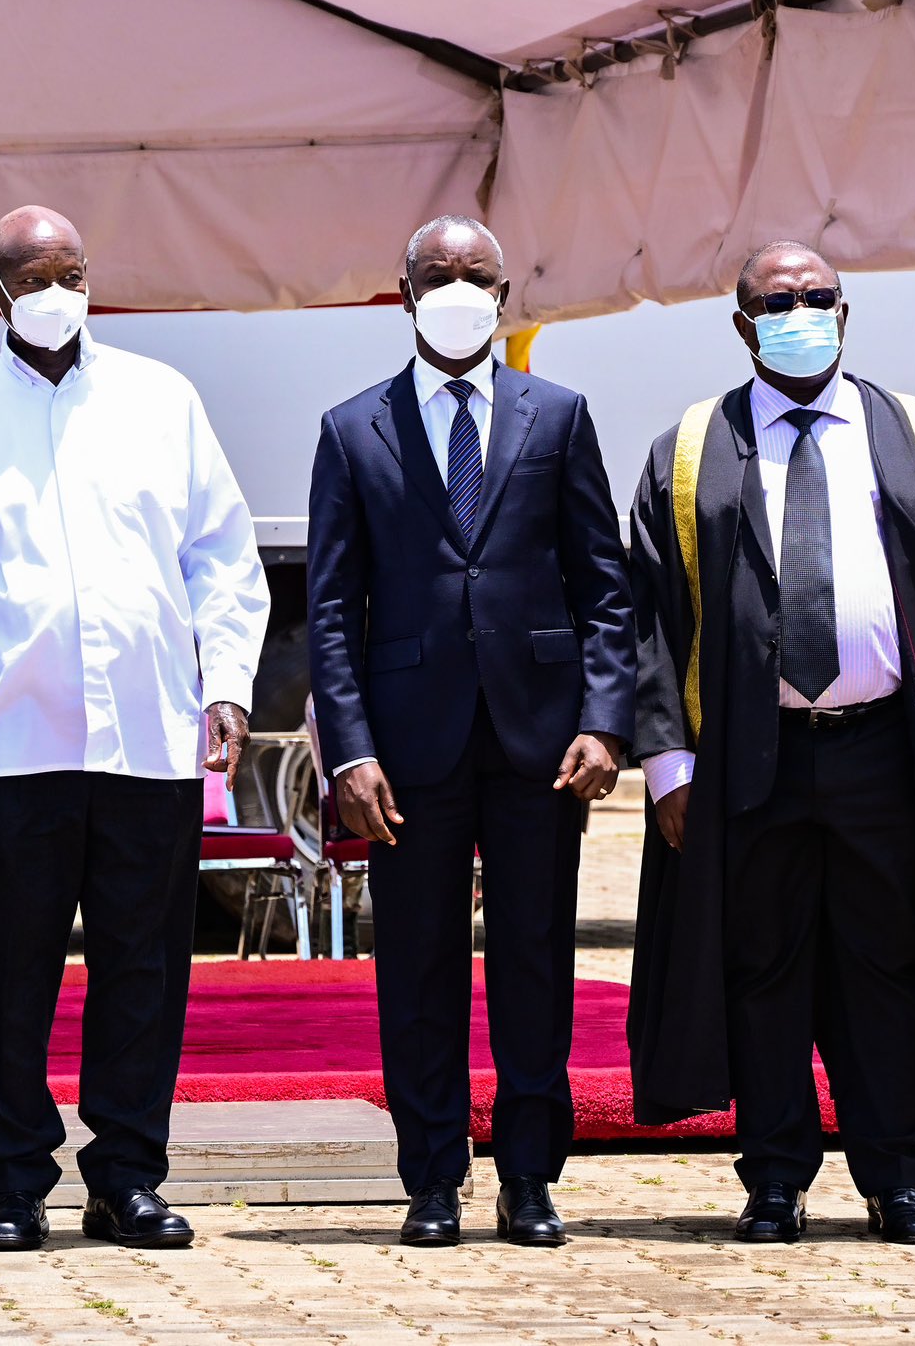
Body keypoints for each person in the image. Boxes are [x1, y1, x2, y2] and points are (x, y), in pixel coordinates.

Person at [626, 241, 915, 1246]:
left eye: (816, 297)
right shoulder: (690, 446)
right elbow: (647, 617)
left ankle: (893, 1174)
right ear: (741, 325)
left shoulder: (910, 431)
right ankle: (774, 1177)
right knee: (761, 967)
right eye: (776, 301)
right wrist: (665, 765)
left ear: (845, 310)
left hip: (887, 748)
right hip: (747, 753)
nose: (798, 311)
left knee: (888, 965)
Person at [0, 206, 269, 1253]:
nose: (55, 288)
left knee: (143, 968)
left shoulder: (161, 398)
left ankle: (127, 1175)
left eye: (71, 269)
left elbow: (222, 560)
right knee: (8, 974)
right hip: (7, 746)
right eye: (32, 273)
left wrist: (225, 683)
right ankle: (13, 1179)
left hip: (147, 737)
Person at [307, 215, 634, 1247]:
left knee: (534, 959)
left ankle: (530, 1176)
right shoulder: (351, 428)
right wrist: (348, 751)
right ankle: (432, 1175)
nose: (458, 289)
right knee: (416, 965)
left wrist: (604, 720)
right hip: (406, 747)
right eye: (437, 275)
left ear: (506, 293)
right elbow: (327, 608)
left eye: (476, 275)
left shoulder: (560, 415)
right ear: (401, 293)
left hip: (539, 742)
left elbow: (603, 585)